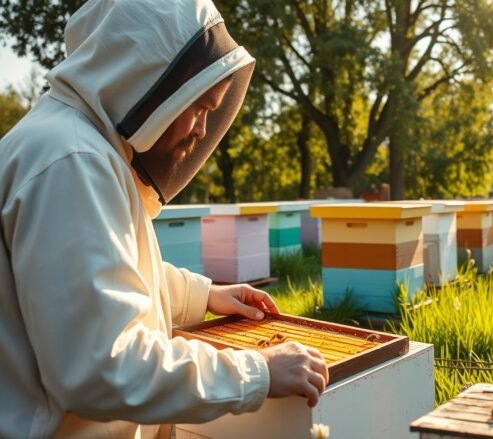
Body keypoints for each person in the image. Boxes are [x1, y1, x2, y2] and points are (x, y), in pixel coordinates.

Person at [0, 0, 329, 437]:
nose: (200, 130)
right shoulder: (72, 162)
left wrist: (203, 295)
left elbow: (94, 279)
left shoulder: (72, 144)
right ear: (153, 83)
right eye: (200, 106)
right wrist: (258, 371)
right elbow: (103, 366)